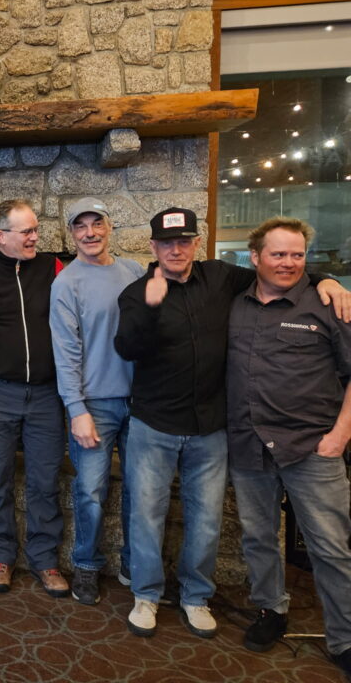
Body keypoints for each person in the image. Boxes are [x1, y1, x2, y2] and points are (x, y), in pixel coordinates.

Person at [114, 207, 349, 641]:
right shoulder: (135, 293)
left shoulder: (222, 277)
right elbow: (127, 349)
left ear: (195, 243)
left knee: (206, 522)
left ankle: (196, 597)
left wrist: (325, 279)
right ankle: (146, 595)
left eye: (184, 240)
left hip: (212, 427)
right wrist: (150, 306)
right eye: (167, 242)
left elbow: (277, 271)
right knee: (146, 517)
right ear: (153, 247)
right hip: (154, 425)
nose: (176, 249)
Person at [226, 217, 351, 678]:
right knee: (259, 538)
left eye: (298, 255)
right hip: (249, 444)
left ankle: (345, 637)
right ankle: (271, 610)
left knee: (331, 548)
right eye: (278, 254)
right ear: (255, 257)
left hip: (312, 449)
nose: (289, 263)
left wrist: (339, 437)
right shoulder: (234, 304)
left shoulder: (328, 305)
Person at [0, 199, 70, 598]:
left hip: (46, 393)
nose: (35, 236)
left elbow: (67, 319)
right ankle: (1, 556)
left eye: (35, 229)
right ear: (1, 236)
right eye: (27, 231)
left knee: (44, 479)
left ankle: (45, 559)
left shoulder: (53, 268)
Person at [49, 198, 144, 606]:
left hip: (142, 404)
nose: (90, 232)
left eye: (97, 223)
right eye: (81, 226)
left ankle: (135, 564)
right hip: (94, 407)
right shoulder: (66, 284)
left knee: (142, 490)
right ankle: (86, 565)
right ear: (72, 234)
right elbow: (65, 352)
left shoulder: (135, 272)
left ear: (109, 226)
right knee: (90, 490)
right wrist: (77, 410)